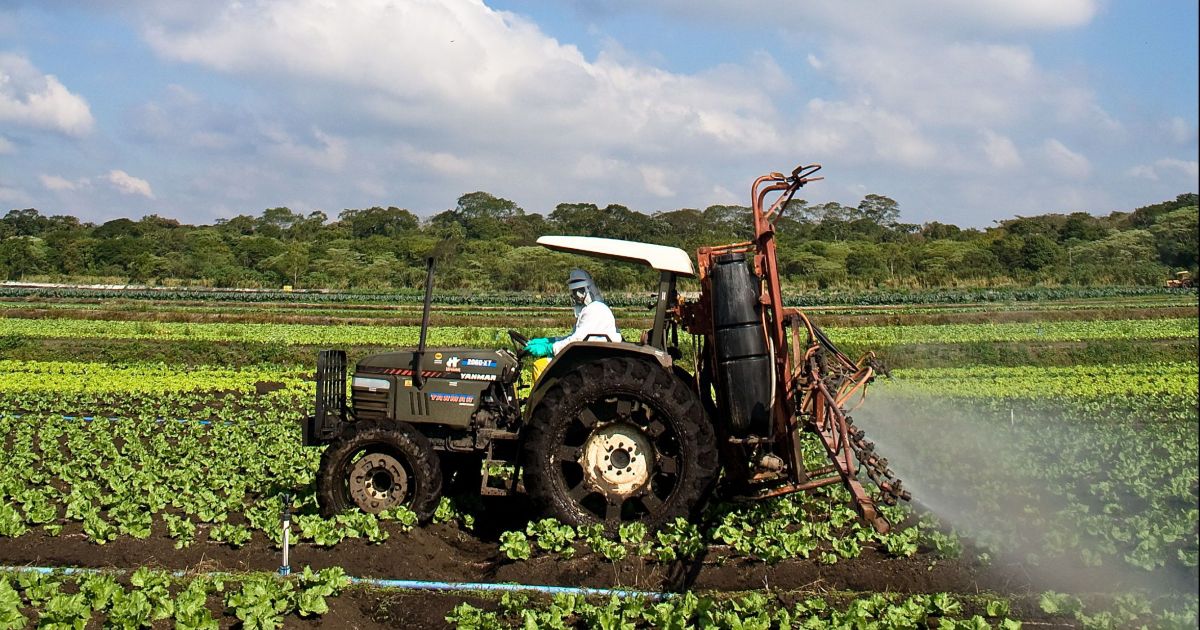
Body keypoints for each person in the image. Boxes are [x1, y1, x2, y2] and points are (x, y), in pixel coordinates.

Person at [525, 269, 622, 359]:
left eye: (578, 291)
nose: (575, 296)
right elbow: (575, 337)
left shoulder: (594, 310)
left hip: (591, 356)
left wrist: (550, 348)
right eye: (574, 292)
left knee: (539, 365)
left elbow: (577, 340)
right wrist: (552, 340)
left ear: (586, 290)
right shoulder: (593, 308)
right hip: (591, 353)